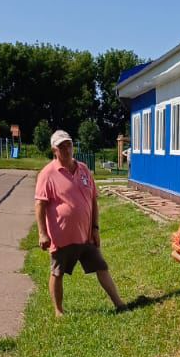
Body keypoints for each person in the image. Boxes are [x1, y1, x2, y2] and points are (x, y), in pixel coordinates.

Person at [34, 130, 126, 318]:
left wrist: (95, 228)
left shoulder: (84, 169)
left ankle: (119, 303)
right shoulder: (47, 174)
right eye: (61, 146)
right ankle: (59, 311)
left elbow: (93, 201)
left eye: (68, 144)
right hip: (61, 237)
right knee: (57, 272)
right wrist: (42, 233)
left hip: (86, 236)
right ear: (54, 150)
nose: (67, 149)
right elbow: (40, 205)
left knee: (101, 266)